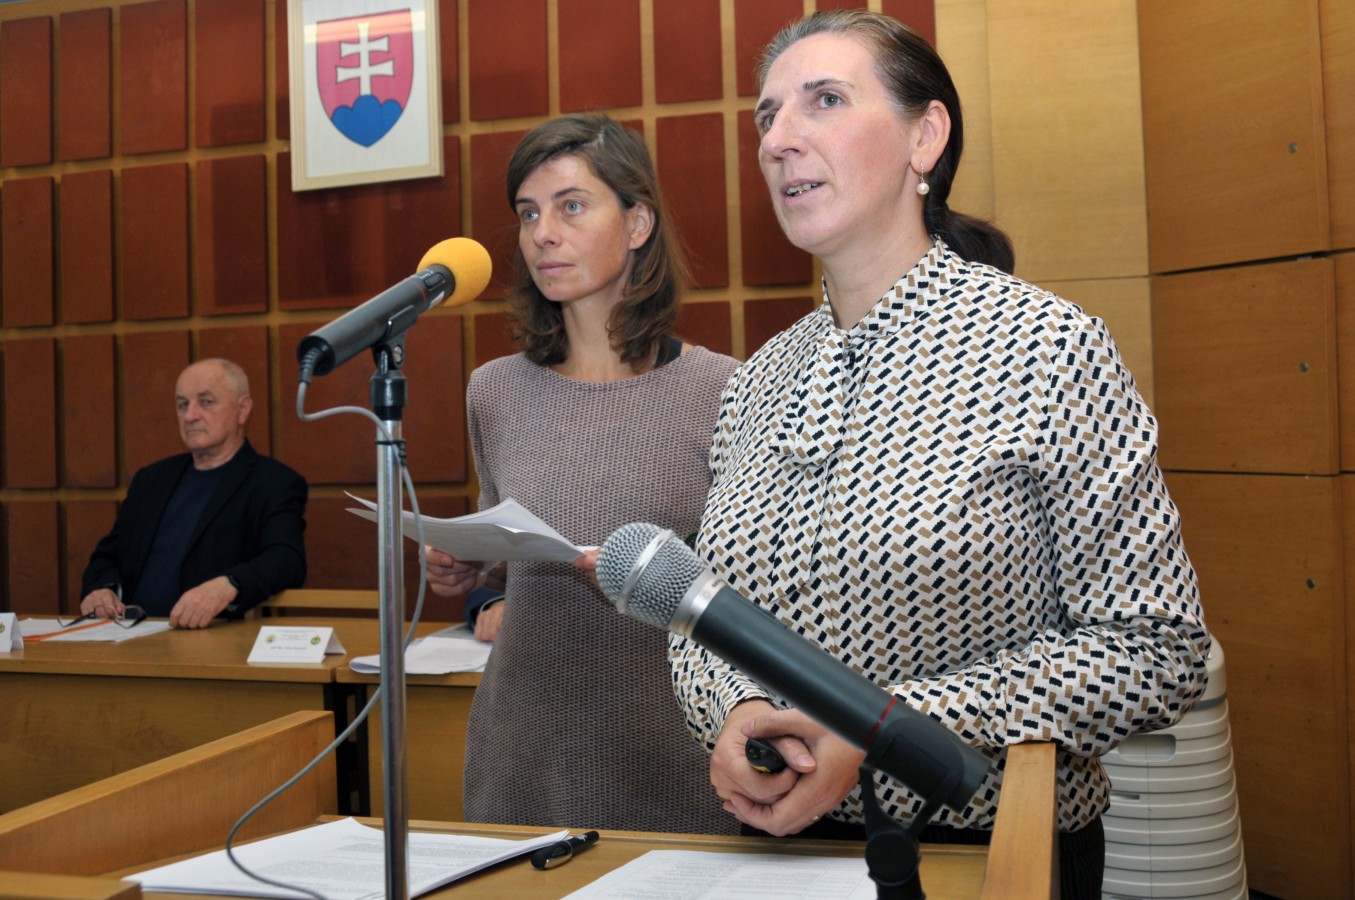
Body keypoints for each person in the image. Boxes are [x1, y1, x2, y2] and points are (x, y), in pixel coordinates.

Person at [668, 11, 1210, 897]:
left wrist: (887, 727)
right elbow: (704, 615)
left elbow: (1153, 649)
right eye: (767, 115)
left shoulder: (1046, 349)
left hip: (989, 855)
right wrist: (734, 709)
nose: (777, 139)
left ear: (924, 137)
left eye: (824, 101)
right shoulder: (755, 380)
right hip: (776, 857)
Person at [424, 113, 741, 834]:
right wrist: (466, 565)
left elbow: (756, 594)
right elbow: (507, 545)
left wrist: (651, 580)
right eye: (528, 213)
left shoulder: (724, 389)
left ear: (637, 224)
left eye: (571, 206)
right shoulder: (493, 390)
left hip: (672, 758)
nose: (543, 233)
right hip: (521, 757)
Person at [80, 358, 308, 629]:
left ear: (243, 409)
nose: (189, 416)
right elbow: (108, 555)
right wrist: (102, 589)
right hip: (127, 634)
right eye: (182, 404)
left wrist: (228, 585)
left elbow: (286, 560)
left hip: (212, 639)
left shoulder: (273, 482)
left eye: (206, 402)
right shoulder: (151, 480)